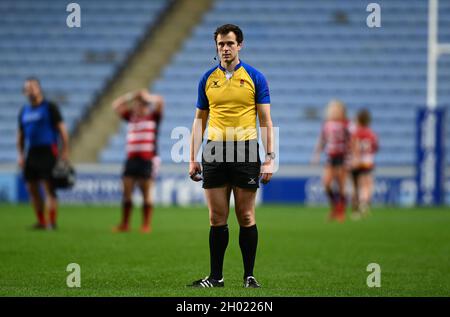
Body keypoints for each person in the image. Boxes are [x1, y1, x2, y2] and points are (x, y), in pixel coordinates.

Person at [187, 24, 274, 288]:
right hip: (213, 150)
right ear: (216, 47)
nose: (225, 48)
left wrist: (270, 157)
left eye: (230, 44)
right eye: (221, 44)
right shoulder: (207, 79)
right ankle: (216, 277)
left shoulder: (255, 77)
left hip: (245, 150)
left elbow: (265, 120)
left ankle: (249, 275)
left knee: (246, 216)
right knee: (216, 218)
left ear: (240, 45)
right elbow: (199, 121)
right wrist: (192, 157)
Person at [17, 77, 70, 230]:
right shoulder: (24, 111)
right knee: (31, 189)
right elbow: (20, 135)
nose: (31, 90)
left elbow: (62, 131)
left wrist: (65, 151)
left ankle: (52, 222)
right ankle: (41, 221)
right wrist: (21, 155)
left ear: (39, 88)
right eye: (28, 88)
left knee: (49, 188)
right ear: (24, 92)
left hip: (48, 150)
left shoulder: (49, 107)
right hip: (31, 152)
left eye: (33, 86)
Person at [112, 89, 164, 233]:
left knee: (146, 193)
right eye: (136, 104)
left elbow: (160, 101)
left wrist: (147, 97)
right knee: (127, 192)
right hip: (131, 159)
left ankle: (146, 224)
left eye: (140, 104)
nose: (137, 107)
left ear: (146, 106)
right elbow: (115, 105)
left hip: (147, 160)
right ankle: (125, 224)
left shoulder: (153, 117)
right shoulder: (131, 117)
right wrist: (130, 96)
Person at [312, 100, 350, 222]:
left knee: (341, 185)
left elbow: (352, 140)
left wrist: (352, 156)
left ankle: (341, 211)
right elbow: (322, 139)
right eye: (331, 109)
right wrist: (317, 154)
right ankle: (335, 207)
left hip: (342, 156)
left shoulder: (346, 123)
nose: (333, 111)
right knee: (327, 184)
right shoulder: (326, 124)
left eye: (335, 109)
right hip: (330, 156)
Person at [350, 109, 378, 219]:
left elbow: (354, 146)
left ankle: (355, 210)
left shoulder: (356, 132)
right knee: (367, 184)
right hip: (368, 162)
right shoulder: (371, 133)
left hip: (357, 161)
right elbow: (375, 147)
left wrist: (356, 158)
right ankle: (364, 203)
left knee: (356, 186)